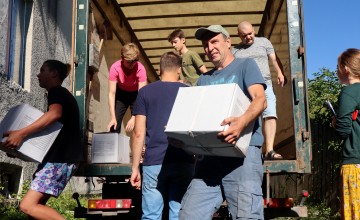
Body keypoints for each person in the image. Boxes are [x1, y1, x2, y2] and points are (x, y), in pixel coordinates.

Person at [179, 25, 266, 220]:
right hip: (210, 158)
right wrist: (185, 139)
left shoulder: (246, 65)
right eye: (205, 45)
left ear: (228, 42)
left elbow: (260, 99)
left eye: (214, 41)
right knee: (188, 215)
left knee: (247, 216)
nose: (209, 48)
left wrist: (241, 122)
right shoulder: (203, 80)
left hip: (243, 154)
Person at [2, 60, 83, 220]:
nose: (38, 74)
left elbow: (54, 114)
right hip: (59, 160)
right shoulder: (59, 94)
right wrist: (18, 151)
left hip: (60, 160)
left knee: (27, 206)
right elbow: (50, 136)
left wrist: (21, 133)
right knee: (35, 212)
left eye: (42, 70)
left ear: (53, 74)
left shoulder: (57, 92)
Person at [130, 51, 195, 220]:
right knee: (179, 215)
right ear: (179, 70)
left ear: (159, 70)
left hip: (153, 163)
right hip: (183, 160)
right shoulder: (189, 92)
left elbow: (138, 134)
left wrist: (135, 167)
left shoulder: (145, 92)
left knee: (151, 216)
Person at [232, 21, 286, 160]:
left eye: (250, 33)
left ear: (254, 30)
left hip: (266, 84)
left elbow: (273, 60)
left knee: (270, 114)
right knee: (249, 119)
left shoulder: (264, 42)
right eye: (244, 35)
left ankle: (269, 150)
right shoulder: (235, 51)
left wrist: (279, 73)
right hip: (246, 89)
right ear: (239, 35)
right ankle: (249, 151)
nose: (249, 37)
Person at [331, 48, 360, 220]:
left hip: (355, 164)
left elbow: (343, 131)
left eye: (337, 67)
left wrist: (337, 123)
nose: (336, 70)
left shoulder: (349, 92)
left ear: (345, 69)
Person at [107, 43, 147, 133]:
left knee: (138, 124)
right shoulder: (115, 67)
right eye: (129, 61)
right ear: (122, 58)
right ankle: (114, 145)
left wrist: (133, 117)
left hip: (136, 95)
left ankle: (142, 146)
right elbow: (111, 94)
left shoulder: (140, 68)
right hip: (121, 94)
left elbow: (142, 95)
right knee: (114, 125)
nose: (132, 64)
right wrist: (113, 117)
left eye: (134, 61)